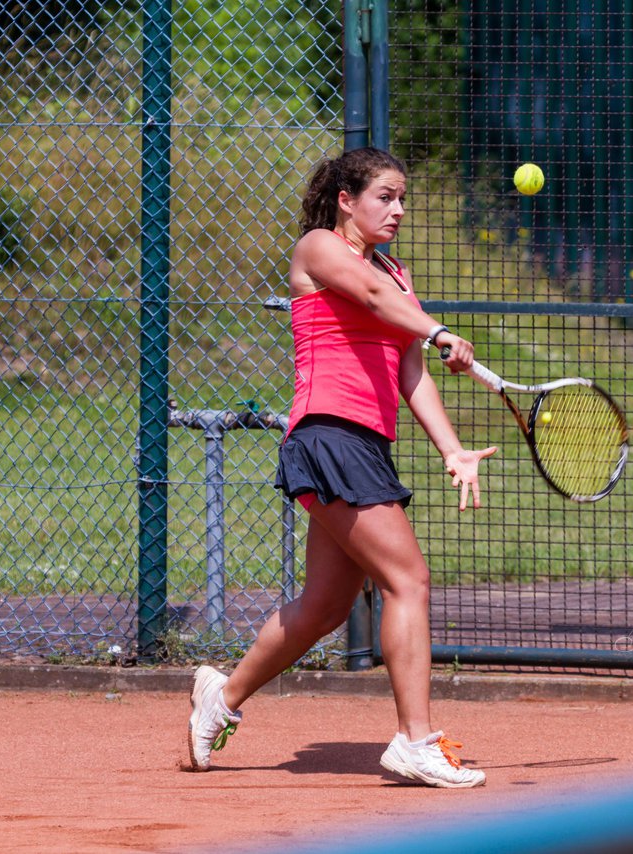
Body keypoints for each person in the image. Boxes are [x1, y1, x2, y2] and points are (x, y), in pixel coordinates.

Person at [185, 146, 496, 788]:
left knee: (325, 606)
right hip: (327, 434)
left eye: (403, 198)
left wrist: (452, 448)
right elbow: (372, 296)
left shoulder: (398, 274)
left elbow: (408, 372)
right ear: (347, 200)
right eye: (385, 196)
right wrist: (439, 333)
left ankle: (222, 694)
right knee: (408, 579)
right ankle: (415, 740)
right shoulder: (320, 248)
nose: (398, 209)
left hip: (364, 443)